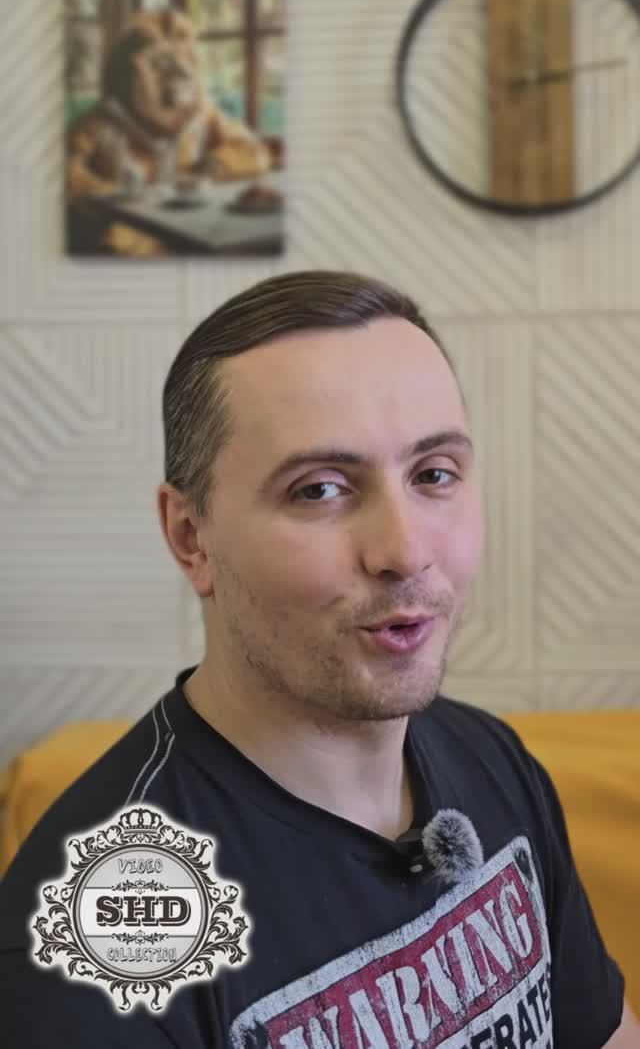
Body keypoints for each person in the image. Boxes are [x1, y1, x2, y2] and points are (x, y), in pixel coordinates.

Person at [1, 270, 638, 1048]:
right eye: (320, 490)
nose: (405, 551)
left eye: (434, 475)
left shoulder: (492, 758)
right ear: (190, 537)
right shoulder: (108, 940)